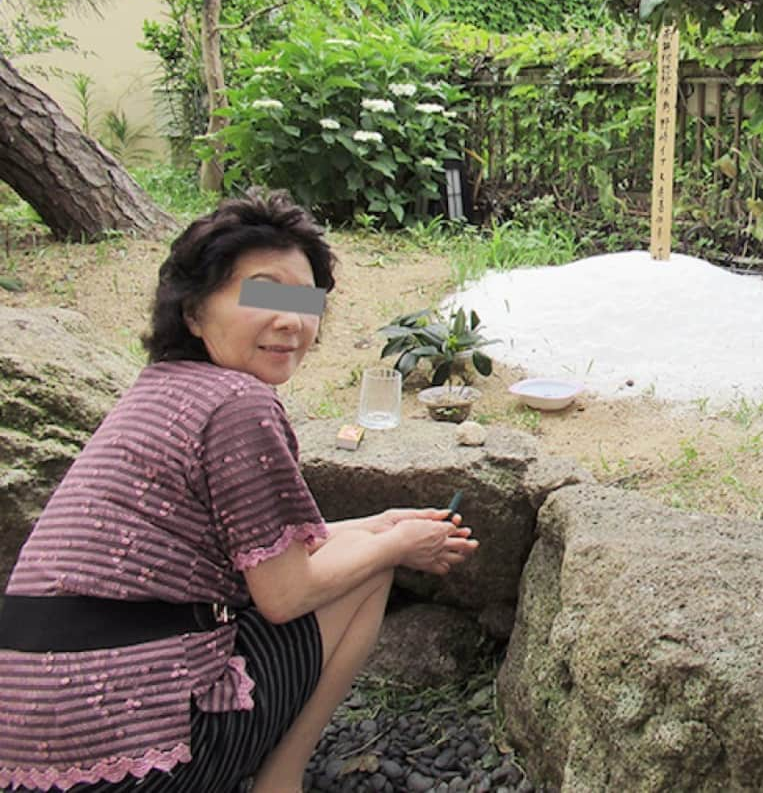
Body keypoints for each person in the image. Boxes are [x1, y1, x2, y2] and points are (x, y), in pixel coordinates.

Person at [0, 190, 479, 792]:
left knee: (366, 552)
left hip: (29, 741)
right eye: (262, 294)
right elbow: (284, 592)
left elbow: (258, 550)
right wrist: (396, 546)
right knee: (367, 574)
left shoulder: (162, 388)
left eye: (305, 301)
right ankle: (278, 783)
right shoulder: (239, 404)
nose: (292, 321)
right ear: (194, 311)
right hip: (131, 751)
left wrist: (382, 523)